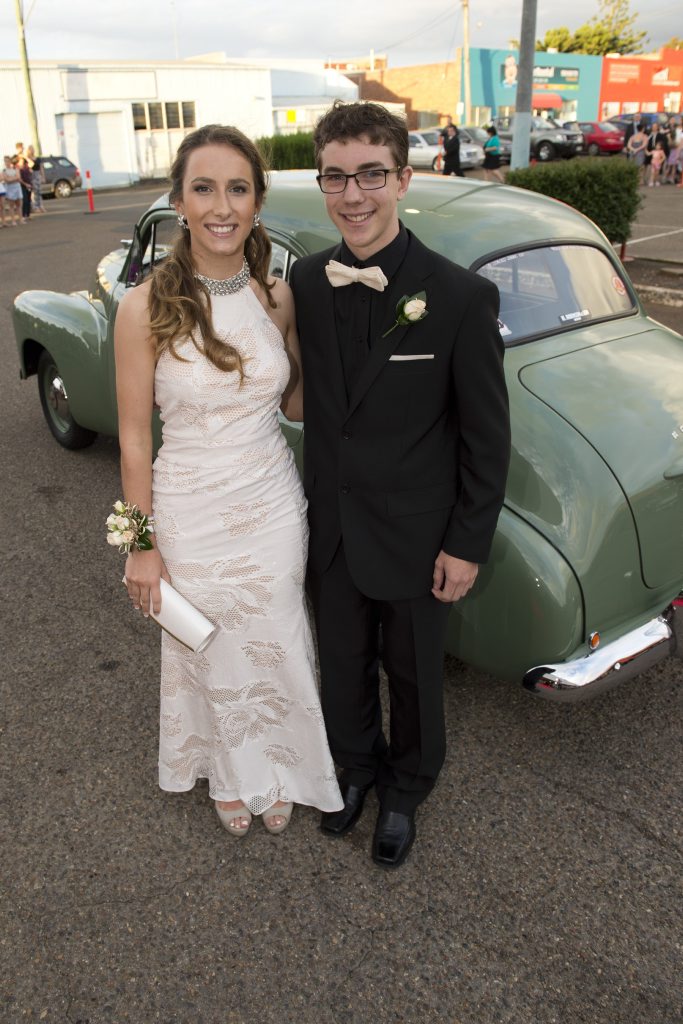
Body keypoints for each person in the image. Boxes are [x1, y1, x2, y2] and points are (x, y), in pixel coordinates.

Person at [289, 101, 510, 868]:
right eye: (336, 178)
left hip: (420, 536)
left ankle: (407, 789)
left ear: (404, 179)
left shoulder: (457, 297)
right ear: (322, 183)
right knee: (341, 662)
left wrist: (465, 543)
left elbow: (485, 435)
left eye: (370, 176)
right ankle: (353, 771)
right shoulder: (307, 281)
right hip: (333, 525)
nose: (353, 195)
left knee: (414, 674)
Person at [114, 124, 342, 838]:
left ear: (256, 200)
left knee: (272, 628)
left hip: (272, 500)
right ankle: (229, 769)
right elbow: (130, 439)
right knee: (205, 645)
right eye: (203, 187)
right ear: (179, 200)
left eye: (237, 188)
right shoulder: (142, 306)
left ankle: (280, 764)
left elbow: (296, 403)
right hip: (188, 508)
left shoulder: (278, 297)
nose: (221, 205)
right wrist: (139, 546)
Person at [2, 156, 22, 226]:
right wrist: (13, 178)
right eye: (5, 161)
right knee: (11, 205)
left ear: (10, 161)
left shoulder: (15, 168)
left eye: (8, 161)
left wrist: (11, 178)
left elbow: (18, 177)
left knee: (18, 204)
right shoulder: (4, 171)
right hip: (10, 188)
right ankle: (13, 220)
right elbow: (6, 180)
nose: (7, 163)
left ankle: (21, 219)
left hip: (17, 187)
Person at [26, 146, 45, 213]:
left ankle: (40, 206)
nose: (32, 151)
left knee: (39, 191)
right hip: (31, 175)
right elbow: (29, 166)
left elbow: (41, 168)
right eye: (30, 149)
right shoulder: (27, 159)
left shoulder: (38, 158)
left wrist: (43, 177)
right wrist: (28, 158)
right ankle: (35, 207)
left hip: (37, 174)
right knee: (34, 191)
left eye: (33, 149)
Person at [17, 156, 32, 222]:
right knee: (24, 200)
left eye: (22, 161)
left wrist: (30, 184)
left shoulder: (27, 168)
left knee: (29, 200)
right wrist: (25, 184)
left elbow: (32, 164)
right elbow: (19, 179)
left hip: (29, 185)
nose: (21, 163)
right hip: (22, 186)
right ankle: (23, 215)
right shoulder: (19, 169)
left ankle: (28, 215)